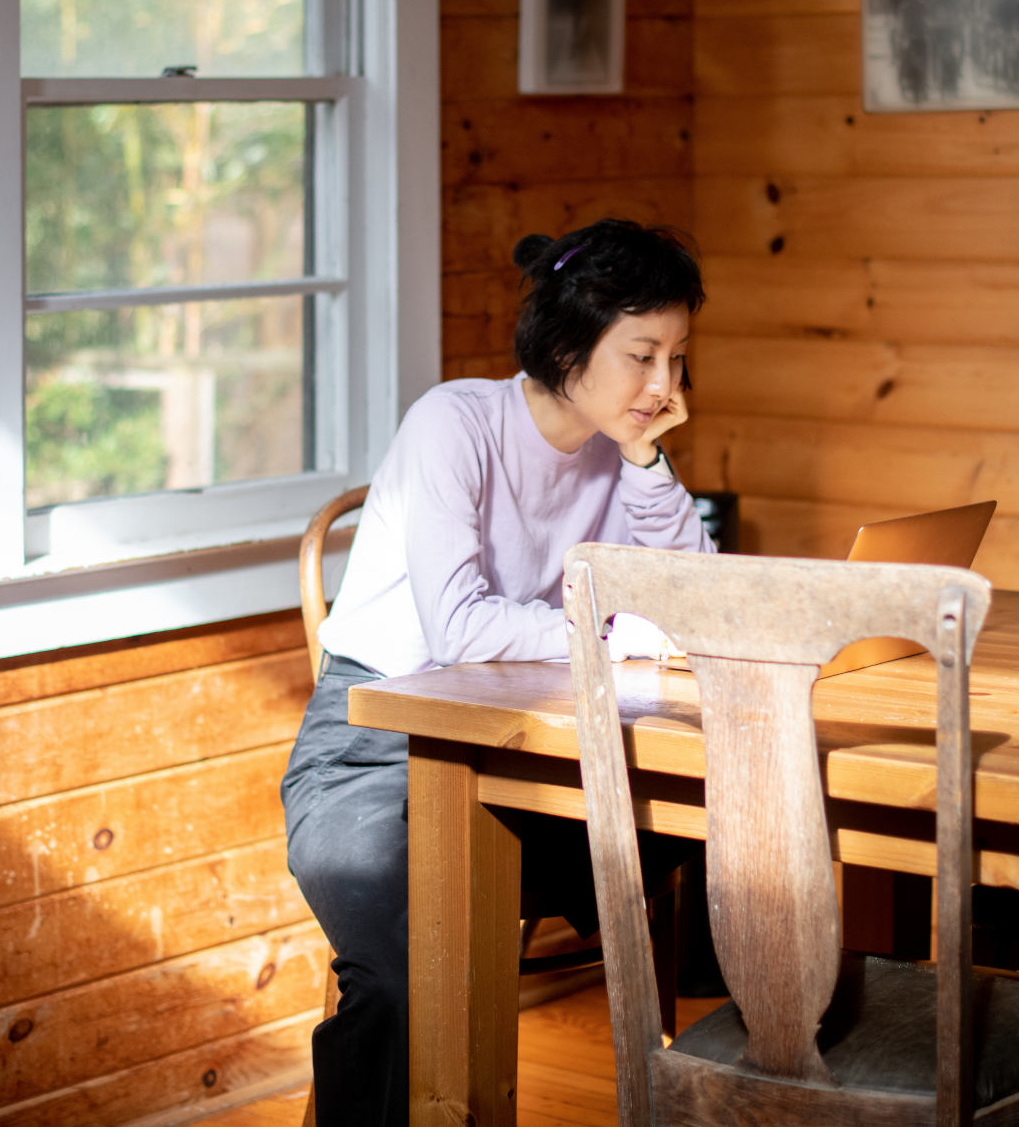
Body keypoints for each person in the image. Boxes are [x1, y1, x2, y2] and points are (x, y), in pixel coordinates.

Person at [280, 218, 713, 1126]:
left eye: (677, 356)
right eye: (642, 354)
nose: (665, 385)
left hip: (524, 755)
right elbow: (465, 629)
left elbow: (686, 605)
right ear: (568, 344)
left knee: (731, 852)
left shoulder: (615, 446)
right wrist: (616, 630)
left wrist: (645, 458)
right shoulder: (455, 422)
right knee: (409, 972)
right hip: (372, 751)